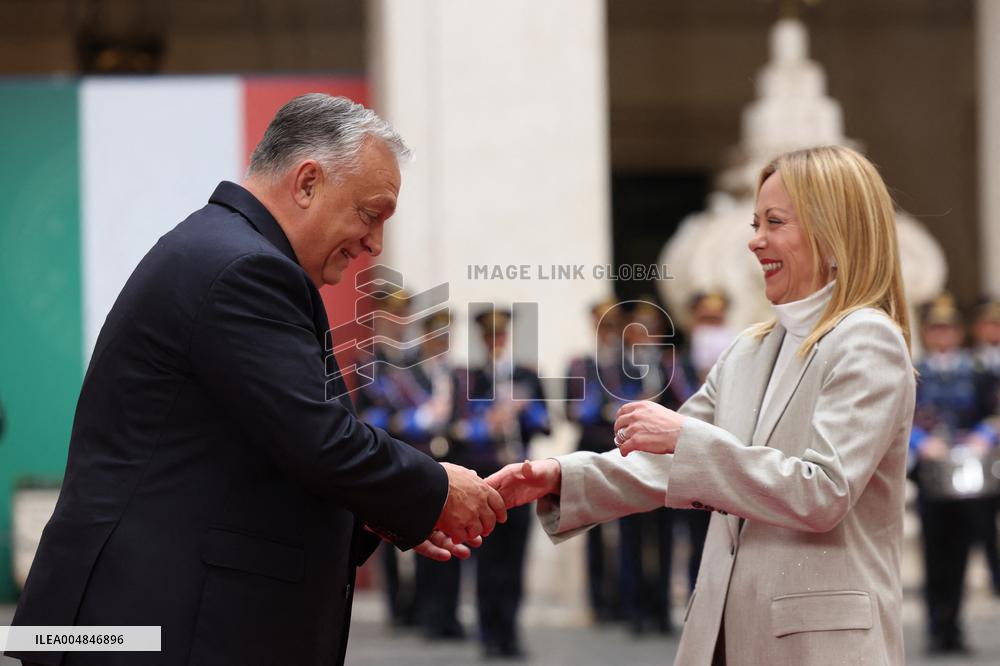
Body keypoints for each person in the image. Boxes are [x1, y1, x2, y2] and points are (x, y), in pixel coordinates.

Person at [7, 94, 505, 666]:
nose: (375, 244)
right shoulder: (247, 268)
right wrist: (436, 490)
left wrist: (388, 508)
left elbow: (260, 456)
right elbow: (317, 438)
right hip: (148, 628)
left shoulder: (222, 249)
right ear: (308, 182)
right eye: (371, 213)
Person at [489, 145, 915, 665]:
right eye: (756, 222)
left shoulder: (867, 340)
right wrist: (556, 476)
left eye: (774, 222)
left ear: (835, 233)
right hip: (724, 635)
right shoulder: (749, 349)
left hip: (818, 646)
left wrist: (687, 440)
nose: (755, 242)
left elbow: (821, 492)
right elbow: (665, 464)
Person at [451, 308, 550, 659]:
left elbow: (546, 422)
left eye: (502, 336)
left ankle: (510, 630)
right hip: (482, 476)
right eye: (490, 337)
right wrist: (489, 421)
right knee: (486, 560)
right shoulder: (468, 378)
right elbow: (455, 428)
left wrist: (524, 410)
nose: (497, 343)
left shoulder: (524, 374)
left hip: (519, 477)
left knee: (514, 558)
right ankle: (488, 631)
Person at [910, 293, 999, 652]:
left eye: (948, 329)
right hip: (931, 474)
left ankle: (955, 627)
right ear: (928, 334)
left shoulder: (977, 372)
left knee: (963, 550)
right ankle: (936, 626)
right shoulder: (916, 371)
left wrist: (981, 437)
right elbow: (903, 418)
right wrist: (921, 442)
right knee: (934, 551)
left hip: (968, 474)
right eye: (936, 330)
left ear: (959, 334)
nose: (942, 336)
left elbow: (994, 412)